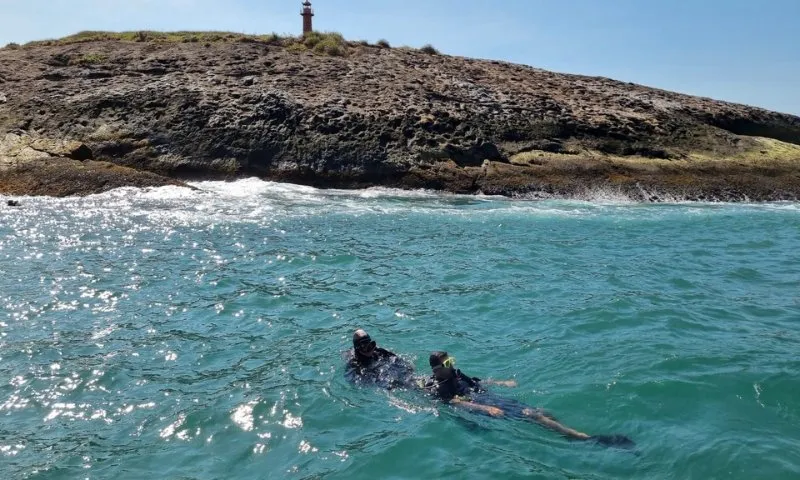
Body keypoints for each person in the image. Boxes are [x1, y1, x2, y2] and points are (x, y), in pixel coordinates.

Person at [425, 351, 635, 449]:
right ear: (437, 370)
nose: (452, 365)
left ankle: (567, 432)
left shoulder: (456, 374)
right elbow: (455, 402)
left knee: (541, 412)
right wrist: (485, 408)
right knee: (532, 415)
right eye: (448, 363)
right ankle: (581, 438)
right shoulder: (442, 387)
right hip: (485, 406)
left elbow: (478, 381)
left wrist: (501, 382)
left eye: (452, 361)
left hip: (491, 398)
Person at [344, 329, 415, 389]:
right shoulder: (354, 364)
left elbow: (400, 361)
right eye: (364, 348)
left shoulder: (379, 351)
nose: (369, 350)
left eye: (370, 346)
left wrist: (407, 370)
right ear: (358, 349)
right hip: (375, 378)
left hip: (384, 369)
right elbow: (357, 382)